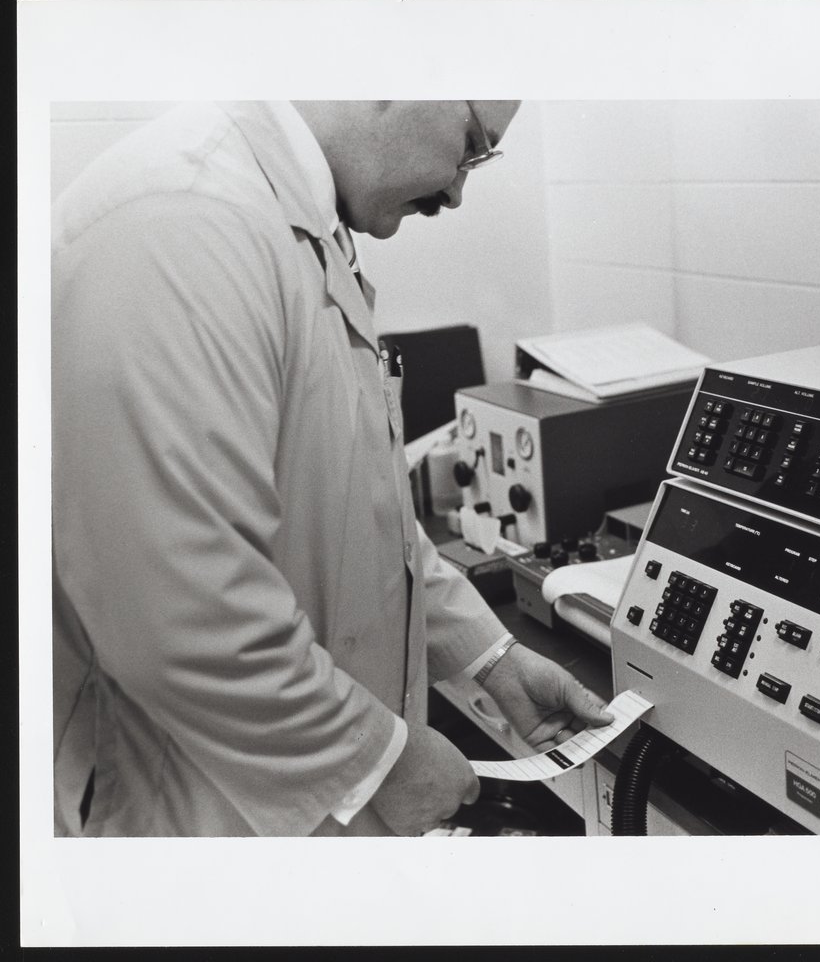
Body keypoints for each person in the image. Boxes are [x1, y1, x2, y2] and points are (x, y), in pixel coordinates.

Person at [50, 100, 612, 837]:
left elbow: (363, 513)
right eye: (471, 145)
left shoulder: (301, 229)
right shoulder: (183, 220)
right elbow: (179, 608)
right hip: (190, 816)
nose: (455, 191)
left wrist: (491, 657)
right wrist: (379, 762)